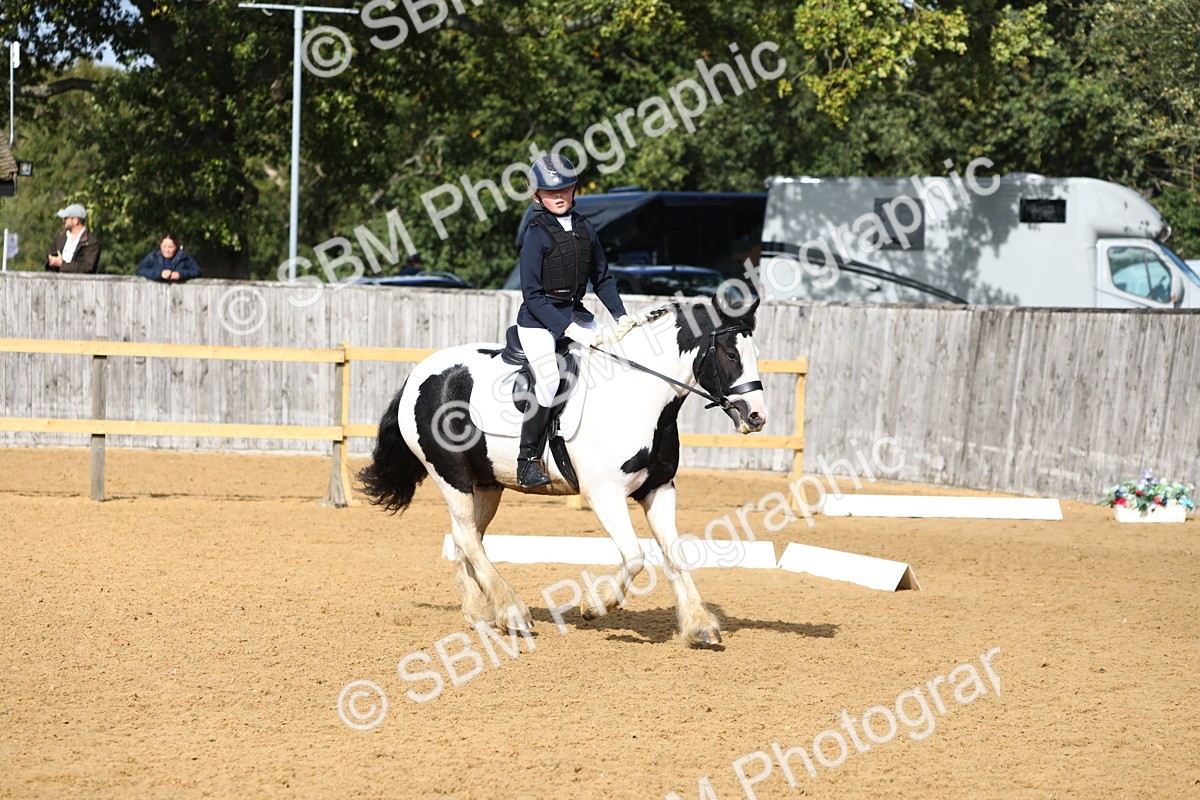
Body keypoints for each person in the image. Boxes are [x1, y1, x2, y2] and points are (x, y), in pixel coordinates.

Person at [515, 154, 635, 488]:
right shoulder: (535, 234)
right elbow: (533, 296)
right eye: (551, 191)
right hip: (538, 322)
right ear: (537, 195)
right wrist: (567, 329)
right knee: (550, 379)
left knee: (618, 360)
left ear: (574, 189)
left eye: (565, 189)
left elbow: (603, 278)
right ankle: (527, 461)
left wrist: (621, 318)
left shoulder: (585, 228)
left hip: (576, 314)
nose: (559, 196)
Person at [45, 203, 101, 274]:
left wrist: (62, 265)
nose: (63, 221)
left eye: (66, 218)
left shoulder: (91, 242)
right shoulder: (61, 237)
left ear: (75, 220)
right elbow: (49, 256)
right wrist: (51, 262)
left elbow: (87, 267)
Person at [135, 233, 202, 283]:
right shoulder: (154, 256)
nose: (167, 250)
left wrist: (181, 274)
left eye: (170, 247)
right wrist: (160, 274)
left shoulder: (184, 257)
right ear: (160, 245)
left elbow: (197, 271)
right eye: (164, 246)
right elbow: (140, 270)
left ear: (176, 246)